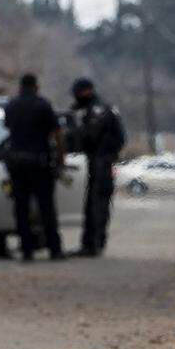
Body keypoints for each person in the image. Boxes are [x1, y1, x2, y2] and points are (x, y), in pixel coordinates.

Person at [3, 73, 65, 262]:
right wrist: (61, 160)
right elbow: (57, 134)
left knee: (21, 208)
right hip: (40, 164)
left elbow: (7, 128)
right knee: (46, 207)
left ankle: (27, 249)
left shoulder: (11, 105)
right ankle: (54, 249)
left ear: (20, 87)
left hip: (17, 165)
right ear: (36, 86)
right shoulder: (43, 105)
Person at [68, 78, 126, 256]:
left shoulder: (98, 112)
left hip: (99, 164)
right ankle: (92, 243)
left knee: (97, 205)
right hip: (96, 163)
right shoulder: (98, 110)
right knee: (95, 205)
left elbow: (86, 138)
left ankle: (93, 244)